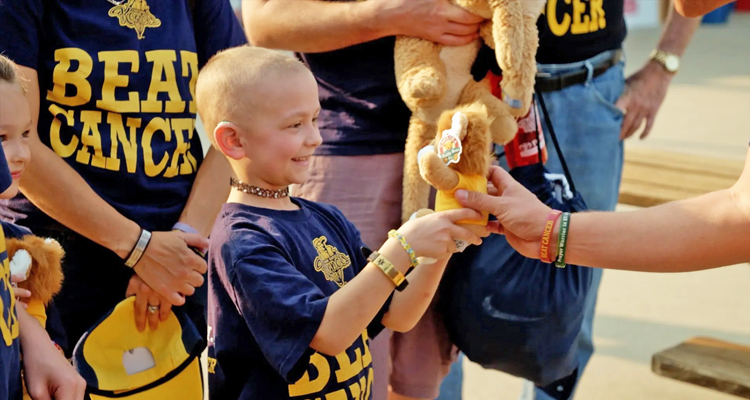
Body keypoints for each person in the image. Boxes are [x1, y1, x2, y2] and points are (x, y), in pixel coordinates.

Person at [196, 46, 484, 400]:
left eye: (316, 119)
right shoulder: (241, 242)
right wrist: (403, 246)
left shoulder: (325, 218)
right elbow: (329, 333)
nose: (315, 137)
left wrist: (443, 242)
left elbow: (397, 313)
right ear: (234, 141)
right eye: (295, 124)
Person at [0, 0, 246, 354]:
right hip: (61, 257)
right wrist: (140, 248)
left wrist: (183, 242)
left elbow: (243, 119)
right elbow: (16, 143)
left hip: (180, 253)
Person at [0, 53, 86, 400]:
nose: (21, 152)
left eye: (25, 133)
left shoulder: (18, 244)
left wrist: (26, 323)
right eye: (1, 137)